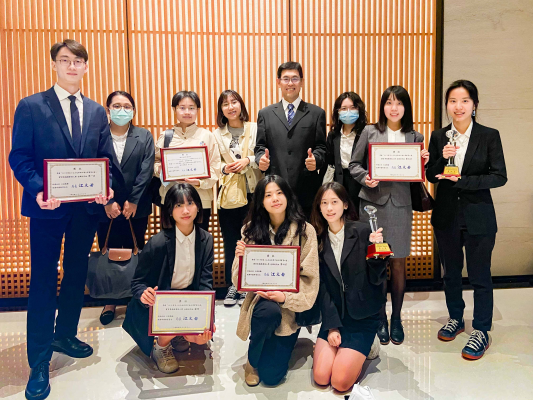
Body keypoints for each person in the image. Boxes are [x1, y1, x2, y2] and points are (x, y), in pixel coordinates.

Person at [8, 39, 114, 400]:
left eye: (78, 61)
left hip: (85, 210)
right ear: (54, 64)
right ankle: (39, 361)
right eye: (65, 60)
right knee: (42, 280)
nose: (71, 66)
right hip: (47, 208)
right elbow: (19, 157)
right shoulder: (31, 106)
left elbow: (104, 158)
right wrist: (40, 188)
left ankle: (65, 334)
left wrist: (105, 187)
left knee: (76, 274)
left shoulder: (96, 111)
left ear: (86, 67)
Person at [426, 80, 507, 360]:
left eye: (464, 101)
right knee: (450, 273)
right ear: (447, 105)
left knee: (480, 274)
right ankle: (456, 318)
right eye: (452, 101)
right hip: (446, 215)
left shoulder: (488, 136)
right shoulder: (439, 136)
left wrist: (463, 181)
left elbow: (499, 176)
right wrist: (441, 160)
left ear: (474, 105)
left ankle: (481, 329)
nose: (458, 106)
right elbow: (430, 174)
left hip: (478, 216)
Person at [349, 86, 429, 346]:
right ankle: (380, 318)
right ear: (382, 106)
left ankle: (396, 318)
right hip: (372, 205)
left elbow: (417, 174)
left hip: (401, 206)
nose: (394, 108)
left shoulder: (415, 136)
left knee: (398, 263)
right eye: (389, 103)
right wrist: (366, 178)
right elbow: (354, 165)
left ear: (406, 108)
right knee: (376, 261)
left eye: (399, 103)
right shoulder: (370, 131)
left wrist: (423, 162)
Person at [232, 175, 319, 386]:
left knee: (272, 377)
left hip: (290, 307)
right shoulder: (250, 229)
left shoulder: (305, 231)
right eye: (268, 195)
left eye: (279, 193)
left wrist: (285, 297)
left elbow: (310, 279)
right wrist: (241, 259)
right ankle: (252, 361)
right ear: (261, 201)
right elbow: (237, 282)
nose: (275, 199)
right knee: (268, 312)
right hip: (262, 302)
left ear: (288, 196)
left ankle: (283, 340)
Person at [122, 183, 215, 373]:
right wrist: (144, 294)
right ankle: (161, 346)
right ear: (170, 211)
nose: (186, 210)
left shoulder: (206, 239)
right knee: (171, 313)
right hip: (162, 302)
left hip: (189, 299)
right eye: (178, 205)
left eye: (190, 203)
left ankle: (178, 333)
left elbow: (205, 282)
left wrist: (206, 318)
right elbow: (137, 282)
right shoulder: (157, 242)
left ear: (198, 206)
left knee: (201, 337)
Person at [310, 182, 387, 393]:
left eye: (334, 202)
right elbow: (322, 287)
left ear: (345, 204)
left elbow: (378, 279)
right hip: (334, 315)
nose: (329, 208)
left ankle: (369, 344)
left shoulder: (363, 231)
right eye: (324, 203)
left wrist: (376, 253)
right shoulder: (318, 239)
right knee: (321, 377)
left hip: (362, 317)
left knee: (340, 383)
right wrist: (332, 326)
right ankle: (343, 349)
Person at [96, 90, 155, 325]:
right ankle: (109, 301)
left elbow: (146, 170)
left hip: (136, 206)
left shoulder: (144, 135)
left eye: (127, 106)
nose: (122, 110)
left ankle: (134, 298)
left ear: (133, 110)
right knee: (107, 250)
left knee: (136, 249)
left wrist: (134, 200)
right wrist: (107, 202)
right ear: (108, 110)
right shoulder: (98, 136)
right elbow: (94, 167)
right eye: (117, 106)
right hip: (105, 206)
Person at [254, 61, 327, 218]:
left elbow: (322, 147)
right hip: (275, 189)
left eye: (295, 78)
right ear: (278, 82)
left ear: (301, 82)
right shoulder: (265, 114)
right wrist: (260, 160)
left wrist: (316, 159)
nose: (290, 83)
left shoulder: (317, 113)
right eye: (286, 79)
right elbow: (260, 147)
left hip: (306, 188)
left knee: (306, 232)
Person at [212, 90, 263, 307]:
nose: (230, 107)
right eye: (225, 104)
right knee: (231, 239)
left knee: (255, 238)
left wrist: (248, 160)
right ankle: (234, 284)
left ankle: (250, 285)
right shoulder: (216, 135)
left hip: (254, 191)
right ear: (221, 110)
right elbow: (212, 163)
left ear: (241, 104)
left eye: (234, 102)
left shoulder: (255, 128)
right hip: (230, 194)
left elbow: (265, 153)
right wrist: (225, 168)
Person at [153, 91, 221, 232]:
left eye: (191, 108)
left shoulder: (207, 136)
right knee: (170, 241)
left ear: (197, 110)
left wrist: (199, 182)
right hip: (171, 199)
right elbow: (154, 163)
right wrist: (161, 170)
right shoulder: (166, 136)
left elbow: (216, 168)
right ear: (174, 109)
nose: (187, 112)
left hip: (200, 199)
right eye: (182, 108)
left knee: (199, 241)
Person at [325, 92, 368, 210]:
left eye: (353, 108)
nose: (348, 112)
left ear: (359, 110)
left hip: (360, 183)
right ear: (338, 112)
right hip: (339, 182)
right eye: (344, 108)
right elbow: (329, 162)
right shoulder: (333, 135)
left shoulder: (366, 133)